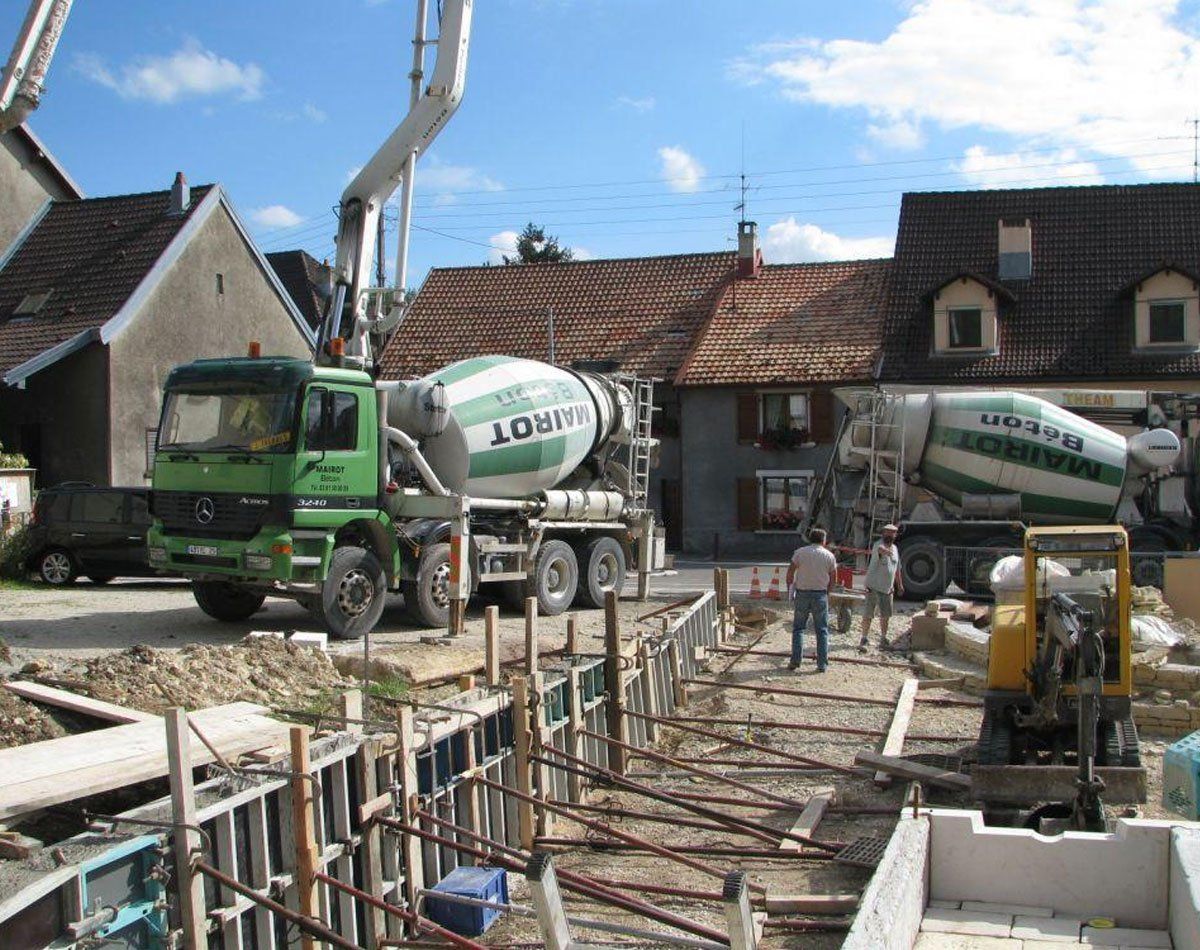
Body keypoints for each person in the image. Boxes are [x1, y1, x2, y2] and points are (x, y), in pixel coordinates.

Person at [785, 527, 838, 672]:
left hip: (802, 594)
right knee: (822, 630)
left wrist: (789, 589)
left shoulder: (800, 553)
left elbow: (790, 572)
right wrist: (828, 592)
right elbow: (834, 577)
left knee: (798, 629)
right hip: (820, 594)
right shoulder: (829, 556)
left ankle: (795, 660)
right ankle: (822, 664)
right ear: (824, 540)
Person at [860, 523, 904, 651]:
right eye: (887, 532)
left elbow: (897, 569)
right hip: (873, 586)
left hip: (887, 588)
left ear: (895, 535)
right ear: (883, 533)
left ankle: (883, 638)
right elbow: (880, 550)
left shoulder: (895, 548)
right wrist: (885, 551)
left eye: (892, 533)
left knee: (886, 615)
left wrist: (899, 584)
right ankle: (864, 637)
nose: (889, 535)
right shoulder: (878, 545)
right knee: (868, 613)